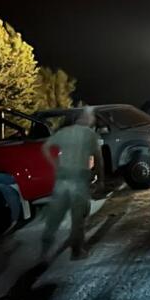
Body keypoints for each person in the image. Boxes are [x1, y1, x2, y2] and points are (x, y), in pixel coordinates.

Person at [41, 105, 104, 257]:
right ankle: (76, 251)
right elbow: (98, 158)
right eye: (92, 117)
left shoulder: (64, 132)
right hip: (79, 179)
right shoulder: (89, 134)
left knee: (54, 218)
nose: (93, 120)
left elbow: (45, 147)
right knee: (78, 218)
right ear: (86, 118)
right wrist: (100, 179)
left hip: (62, 179)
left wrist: (56, 165)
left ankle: (44, 252)